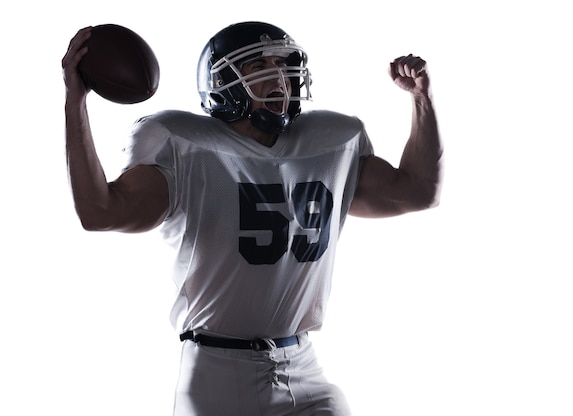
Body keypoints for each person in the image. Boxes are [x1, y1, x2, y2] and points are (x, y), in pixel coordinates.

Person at [62, 21, 443, 415]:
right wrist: (76, 102)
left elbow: (419, 191)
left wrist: (423, 100)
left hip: (303, 366)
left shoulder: (330, 142)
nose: (278, 76)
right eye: (258, 65)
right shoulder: (184, 145)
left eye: (283, 64)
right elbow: (100, 212)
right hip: (219, 374)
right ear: (223, 81)